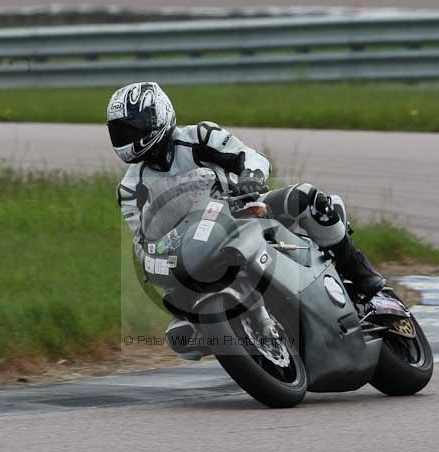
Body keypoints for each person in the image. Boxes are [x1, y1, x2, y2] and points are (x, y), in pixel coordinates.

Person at [108, 81, 385, 303]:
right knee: (177, 306)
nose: (125, 139)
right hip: (193, 248)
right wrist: (154, 260)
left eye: (131, 129)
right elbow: (142, 238)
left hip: (243, 211)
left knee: (308, 198)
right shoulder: (130, 188)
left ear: (157, 117)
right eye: (119, 132)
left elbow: (249, 156)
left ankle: (359, 272)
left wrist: (250, 177)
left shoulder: (200, 136)